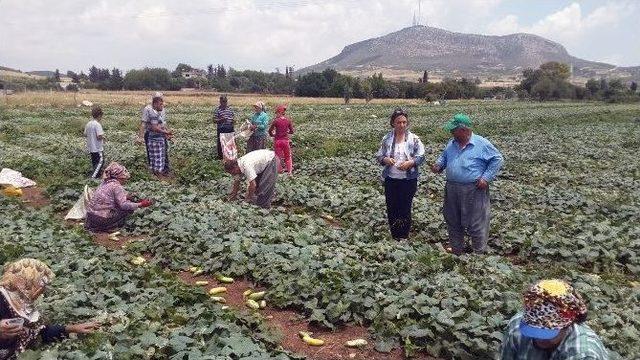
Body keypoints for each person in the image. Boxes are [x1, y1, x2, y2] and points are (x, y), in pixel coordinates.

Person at [431, 113, 503, 254]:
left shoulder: (481, 143)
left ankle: (478, 256)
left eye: (453, 130)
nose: (451, 132)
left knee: (477, 223)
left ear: (463, 130)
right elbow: (444, 157)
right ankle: (457, 252)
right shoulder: (451, 144)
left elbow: (497, 159)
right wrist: (438, 165)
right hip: (452, 189)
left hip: (474, 189)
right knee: (453, 221)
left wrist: (486, 178)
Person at [0, 259, 99, 359]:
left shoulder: (23, 302)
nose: (41, 292)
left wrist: (72, 328)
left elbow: (41, 332)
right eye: (39, 286)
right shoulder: (2, 299)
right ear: (27, 283)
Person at [500, 279, 609, 359]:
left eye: (547, 333)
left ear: (568, 325)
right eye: (533, 331)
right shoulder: (516, 327)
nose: (539, 338)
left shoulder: (583, 354)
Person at [375, 108, 426, 240]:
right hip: (391, 179)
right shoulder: (387, 138)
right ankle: (395, 235)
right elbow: (379, 156)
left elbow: (421, 156)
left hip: (408, 180)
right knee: (392, 208)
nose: (402, 125)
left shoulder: (414, 139)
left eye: (404, 122)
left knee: (404, 207)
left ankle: (403, 236)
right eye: (399, 122)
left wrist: (410, 163)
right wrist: (386, 160)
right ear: (393, 123)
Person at [84, 162, 153, 233]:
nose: (125, 180)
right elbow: (123, 205)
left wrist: (126, 197)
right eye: (124, 178)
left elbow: (109, 197)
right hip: (102, 219)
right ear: (119, 177)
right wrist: (140, 204)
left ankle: (95, 226)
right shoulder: (116, 186)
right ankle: (108, 226)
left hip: (90, 217)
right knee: (127, 209)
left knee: (122, 204)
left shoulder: (104, 182)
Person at [136, 92, 173, 176]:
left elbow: (163, 123)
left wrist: (167, 134)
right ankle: (154, 172)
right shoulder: (148, 109)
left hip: (161, 134)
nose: (162, 103)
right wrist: (140, 137)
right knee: (152, 154)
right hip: (150, 134)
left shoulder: (162, 109)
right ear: (154, 101)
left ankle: (165, 171)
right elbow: (143, 124)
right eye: (159, 100)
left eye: (161, 100)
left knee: (164, 153)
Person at [268, 104, 294, 175]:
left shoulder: (276, 121)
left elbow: (270, 131)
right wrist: (287, 132)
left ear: (280, 112)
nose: (276, 114)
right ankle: (289, 172)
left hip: (277, 141)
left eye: (276, 113)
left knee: (278, 157)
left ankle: (280, 171)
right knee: (288, 157)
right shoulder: (288, 120)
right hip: (285, 141)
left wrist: (273, 135)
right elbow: (292, 131)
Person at [84, 106, 105, 179]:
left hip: (91, 148)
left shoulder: (88, 124)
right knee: (100, 162)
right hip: (97, 148)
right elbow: (99, 136)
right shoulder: (97, 124)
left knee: (95, 163)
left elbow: (85, 134)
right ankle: (93, 178)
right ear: (99, 115)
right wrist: (104, 137)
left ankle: (97, 177)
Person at [215, 95, 235, 160]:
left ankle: (230, 157)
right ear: (220, 102)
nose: (224, 103)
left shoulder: (230, 109)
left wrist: (233, 121)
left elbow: (233, 118)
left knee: (230, 143)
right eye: (222, 101)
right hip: (221, 129)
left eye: (225, 102)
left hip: (230, 128)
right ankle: (221, 158)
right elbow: (214, 120)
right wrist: (221, 120)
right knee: (221, 143)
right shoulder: (217, 110)